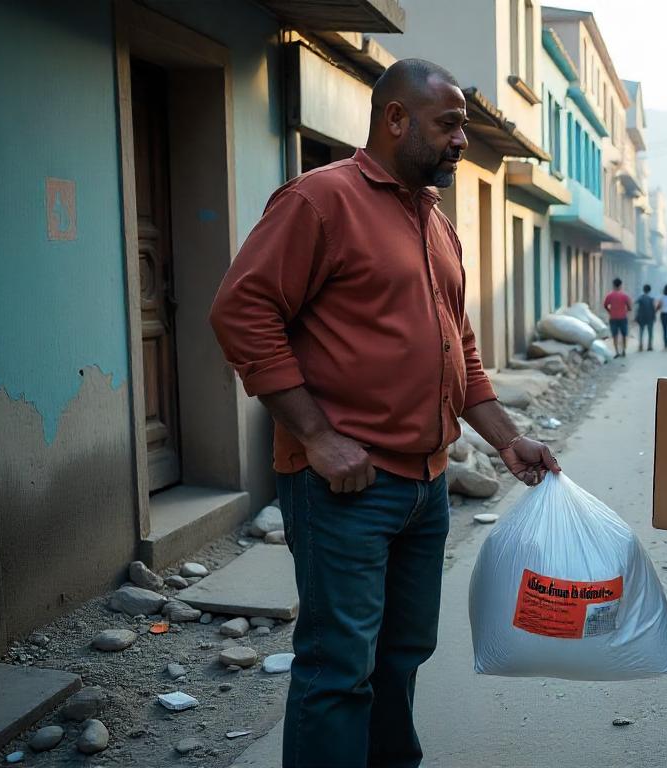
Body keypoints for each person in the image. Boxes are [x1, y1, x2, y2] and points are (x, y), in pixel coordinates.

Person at [209, 59, 561, 768]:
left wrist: (507, 439)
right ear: (395, 119)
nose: (463, 141)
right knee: (339, 669)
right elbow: (241, 312)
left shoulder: (434, 221)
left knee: (401, 658)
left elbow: (456, 346)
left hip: (425, 490)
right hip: (347, 487)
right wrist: (316, 436)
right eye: (451, 125)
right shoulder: (320, 201)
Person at [603, 278, 633, 358]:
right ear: (620, 285)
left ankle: (617, 352)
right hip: (623, 318)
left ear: (613, 285)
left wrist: (610, 311)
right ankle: (623, 351)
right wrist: (625, 311)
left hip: (613, 318)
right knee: (624, 335)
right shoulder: (625, 296)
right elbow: (630, 307)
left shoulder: (609, 295)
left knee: (615, 335)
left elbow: (605, 305)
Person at [635, 283, 657, 351]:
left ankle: (640, 346)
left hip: (642, 317)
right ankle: (649, 346)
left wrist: (636, 316)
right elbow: (653, 308)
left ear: (643, 290)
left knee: (641, 332)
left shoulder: (640, 298)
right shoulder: (651, 298)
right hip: (650, 317)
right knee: (650, 332)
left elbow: (636, 307)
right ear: (649, 290)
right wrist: (654, 316)